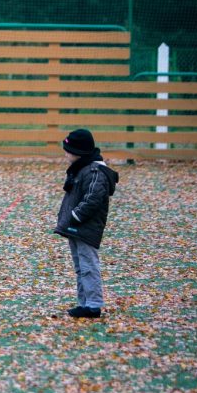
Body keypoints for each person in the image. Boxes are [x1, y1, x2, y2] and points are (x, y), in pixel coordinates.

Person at [54, 129, 119, 318]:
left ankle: (93, 305)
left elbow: (93, 199)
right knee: (80, 266)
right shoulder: (82, 168)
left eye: (68, 150)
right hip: (76, 226)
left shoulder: (94, 172)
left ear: (79, 152)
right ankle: (84, 303)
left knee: (88, 265)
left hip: (85, 226)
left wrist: (75, 216)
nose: (65, 153)